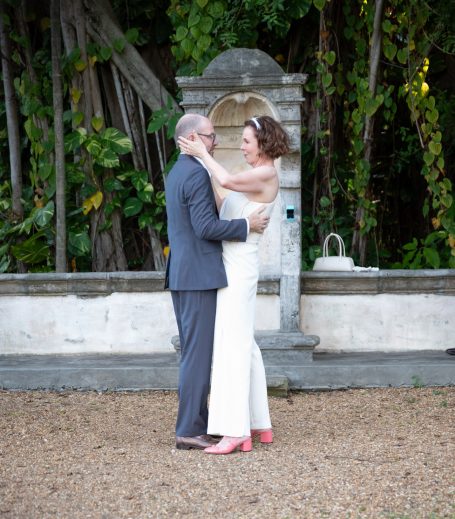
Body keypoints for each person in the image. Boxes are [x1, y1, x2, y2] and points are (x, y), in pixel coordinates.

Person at [178, 115, 290, 454]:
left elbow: (224, 177)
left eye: (245, 141)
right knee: (246, 345)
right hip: (230, 266)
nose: (240, 146)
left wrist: (200, 154)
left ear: (263, 143)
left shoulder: (267, 173)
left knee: (232, 348)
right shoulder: (253, 179)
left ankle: (234, 431)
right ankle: (260, 423)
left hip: (239, 270)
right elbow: (225, 201)